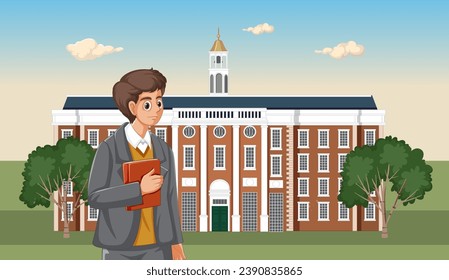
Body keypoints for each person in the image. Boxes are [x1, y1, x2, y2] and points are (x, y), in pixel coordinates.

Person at [88, 69, 186, 260]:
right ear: (133, 108)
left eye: (159, 101)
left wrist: (176, 243)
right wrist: (138, 190)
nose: (157, 109)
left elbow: (170, 200)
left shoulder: (163, 150)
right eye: (148, 104)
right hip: (119, 246)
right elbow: (95, 196)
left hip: (158, 247)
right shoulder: (109, 149)